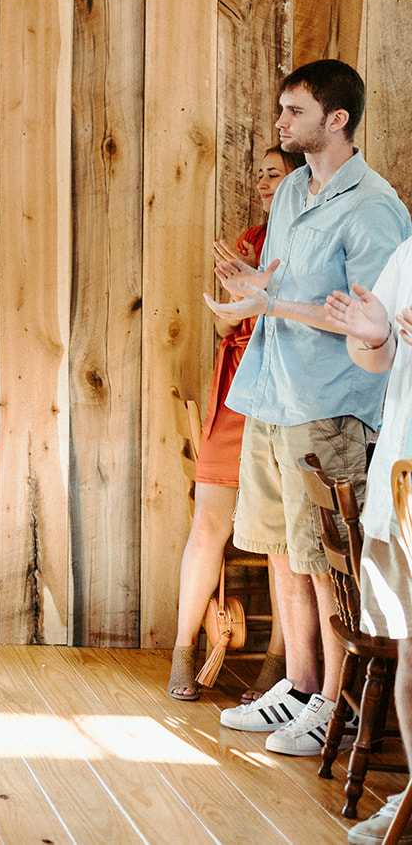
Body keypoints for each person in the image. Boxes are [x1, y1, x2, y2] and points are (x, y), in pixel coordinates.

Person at [206, 59, 411, 758]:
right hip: (273, 389)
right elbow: (289, 280)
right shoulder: (293, 188)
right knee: (279, 549)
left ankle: (333, 705)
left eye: (293, 111)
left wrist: (271, 302)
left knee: (325, 560)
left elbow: (366, 318)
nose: (280, 124)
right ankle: (296, 686)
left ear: (337, 119)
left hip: (328, 404)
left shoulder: (376, 207)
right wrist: (252, 283)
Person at [169, 145, 301, 701]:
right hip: (239, 389)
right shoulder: (251, 238)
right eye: (262, 176)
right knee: (208, 524)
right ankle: (183, 650)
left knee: (281, 538)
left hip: (291, 390)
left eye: (276, 175)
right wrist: (232, 300)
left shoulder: (311, 237)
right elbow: (227, 330)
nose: (265, 183)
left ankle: (279, 664)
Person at [323, 240, 412, 843]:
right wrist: (375, 338)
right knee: (409, 659)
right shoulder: (408, 254)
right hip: (402, 481)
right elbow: (374, 358)